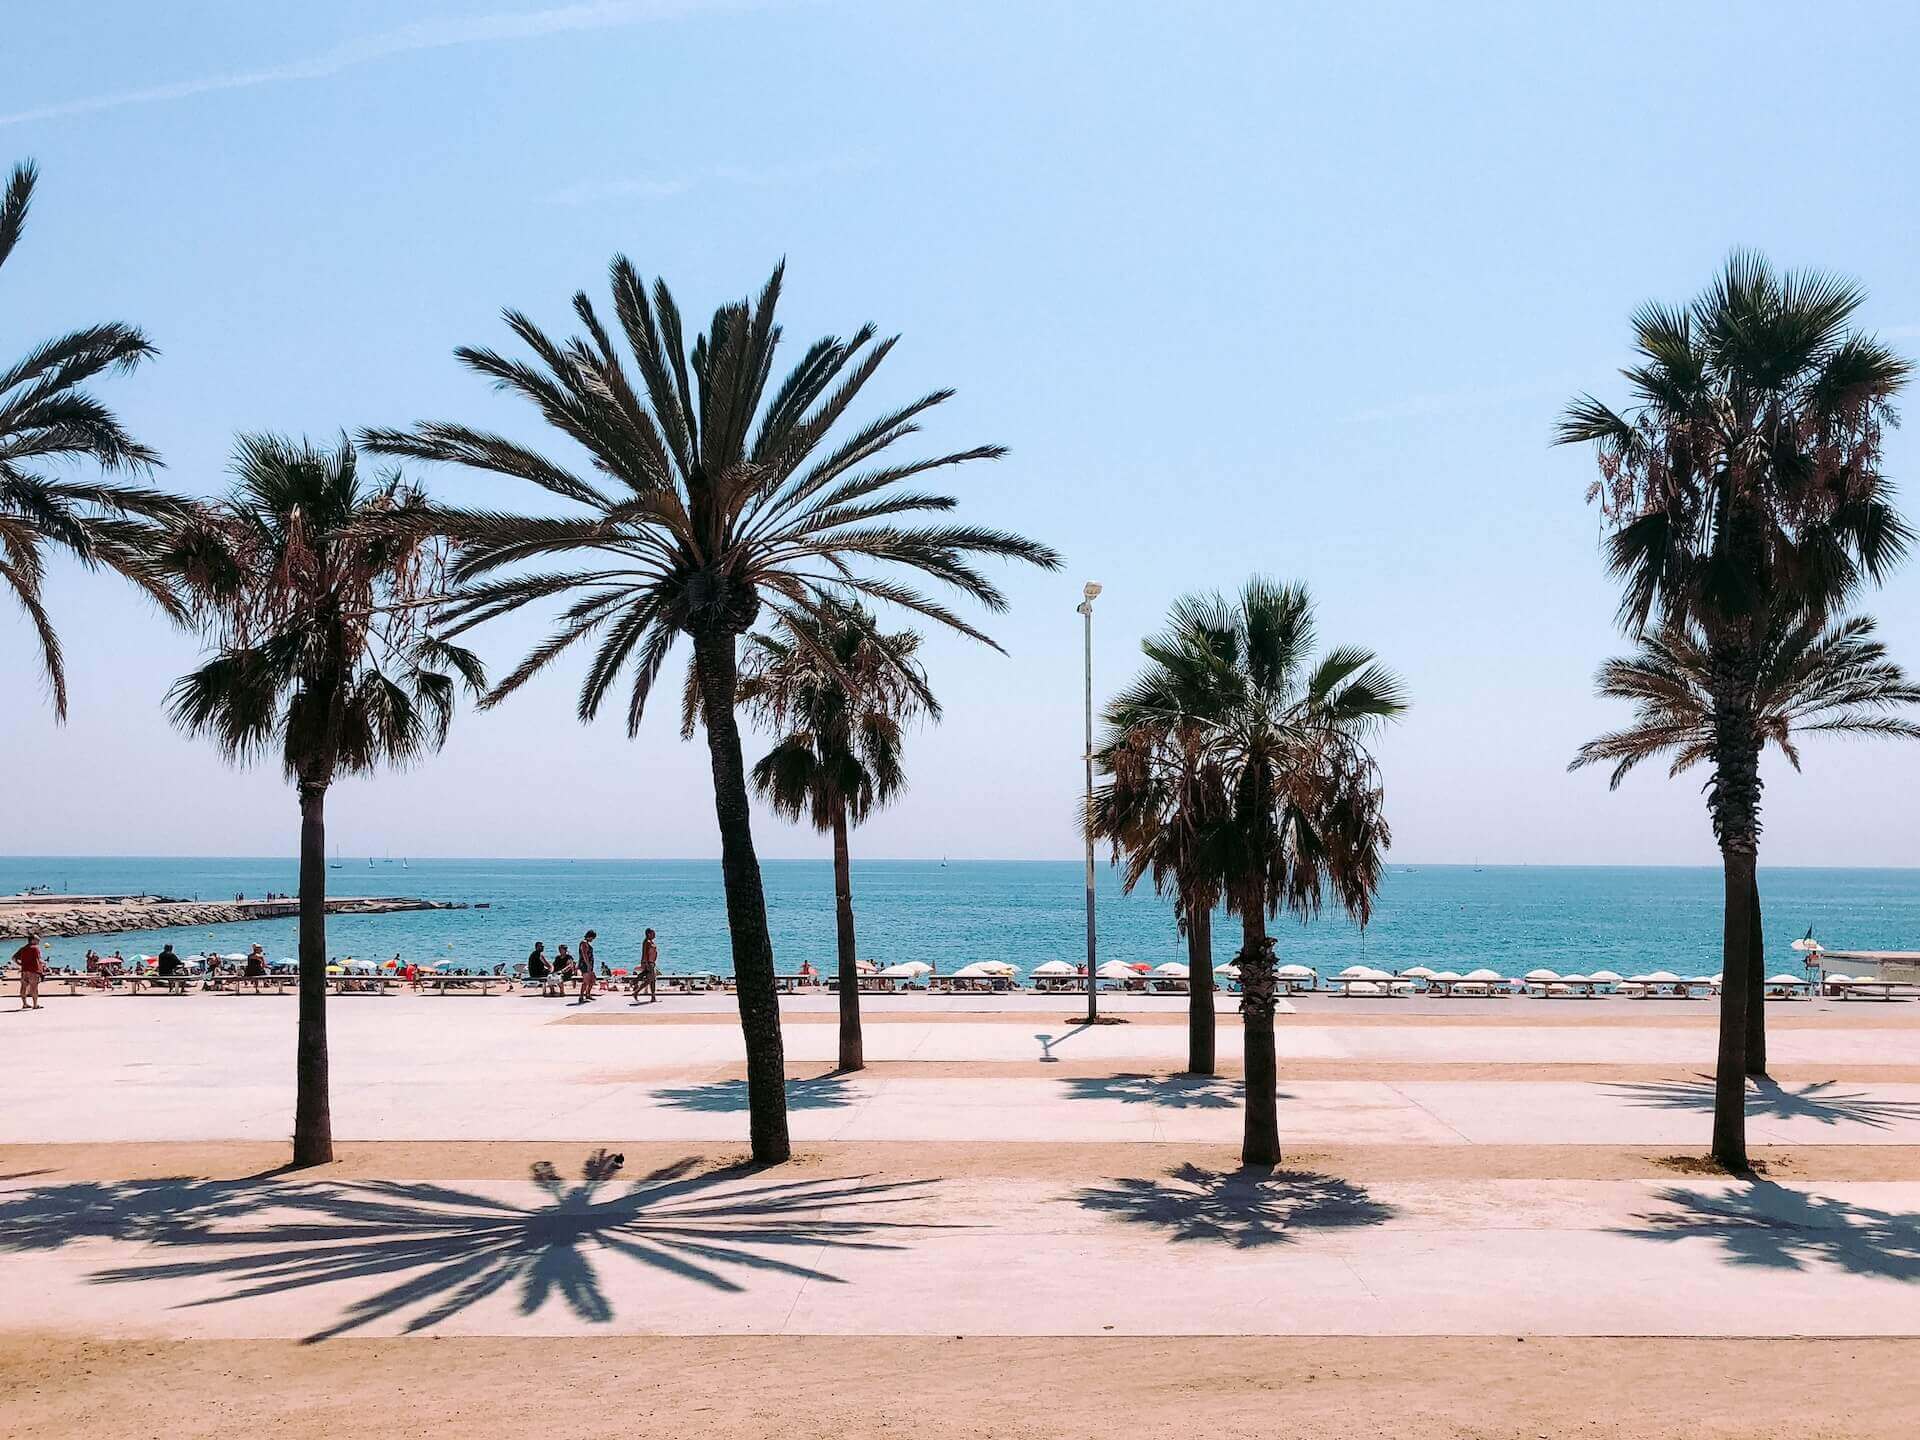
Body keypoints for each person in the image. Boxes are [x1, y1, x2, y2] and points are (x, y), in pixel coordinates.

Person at [12, 933, 45, 1010]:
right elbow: (38, 960)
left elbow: (14, 958)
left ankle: (24, 1004)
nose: (39, 940)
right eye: (37, 939)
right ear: (32, 940)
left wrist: (20, 964)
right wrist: (43, 965)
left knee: (23, 987)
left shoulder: (23, 948)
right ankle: (35, 1005)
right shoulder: (35, 948)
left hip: (24, 970)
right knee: (34, 988)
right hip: (33, 971)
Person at [634, 928, 659, 1004]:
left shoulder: (651, 942)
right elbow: (644, 953)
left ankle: (652, 997)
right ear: (649, 934)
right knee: (651, 980)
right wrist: (645, 963)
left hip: (652, 963)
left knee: (652, 980)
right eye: (653, 933)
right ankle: (637, 992)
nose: (654, 934)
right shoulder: (647, 942)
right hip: (648, 963)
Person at [578, 930, 599, 1003]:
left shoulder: (586, 943)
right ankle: (581, 996)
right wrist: (588, 964)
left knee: (592, 979)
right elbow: (584, 955)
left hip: (589, 964)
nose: (592, 940)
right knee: (586, 981)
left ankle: (588, 994)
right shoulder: (583, 943)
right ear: (590, 936)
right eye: (592, 938)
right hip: (585, 965)